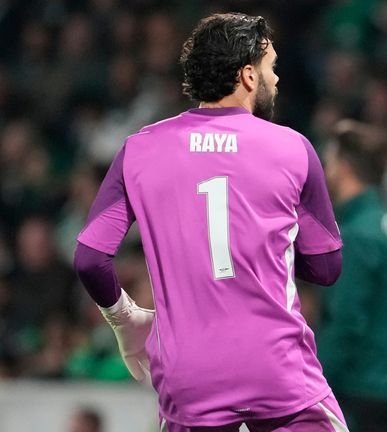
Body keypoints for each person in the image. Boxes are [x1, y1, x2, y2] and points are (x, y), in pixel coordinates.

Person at [73, 13, 349, 432]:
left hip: (189, 379)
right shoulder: (293, 149)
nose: (276, 79)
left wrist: (124, 319)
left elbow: (90, 259)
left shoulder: (140, 149)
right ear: (248, 76)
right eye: (271, 67)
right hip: (278, 369)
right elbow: (326, 267)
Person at [316, 120, 387, 432]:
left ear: (344, 167)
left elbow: (347, 321)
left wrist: (314, 382)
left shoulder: (357, 235)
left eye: (329, 162)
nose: (325, 171)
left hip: (357, 384)